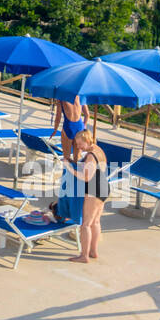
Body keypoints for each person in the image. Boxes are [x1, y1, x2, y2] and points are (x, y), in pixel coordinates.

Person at [65, 129, 110, 263]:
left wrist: (69, 167)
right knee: (95, 222)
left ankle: (84, 256)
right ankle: (93, 251)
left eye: (79, 144)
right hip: (103, 187)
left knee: (85, 225)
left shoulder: (90, 155)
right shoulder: (97, 149)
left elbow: (86, 177)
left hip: (93, 190)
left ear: (87, 140)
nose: (78, 147)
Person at [50, 94, 90, 161]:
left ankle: (68, 171)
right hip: (80, 127)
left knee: (66, 158)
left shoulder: (61, 98)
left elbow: (58, 117)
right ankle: (77, 171)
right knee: (77, 158)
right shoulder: (81, 96)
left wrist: (55, 129)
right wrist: (84, 126)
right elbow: (87, 114)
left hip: (69, 126)